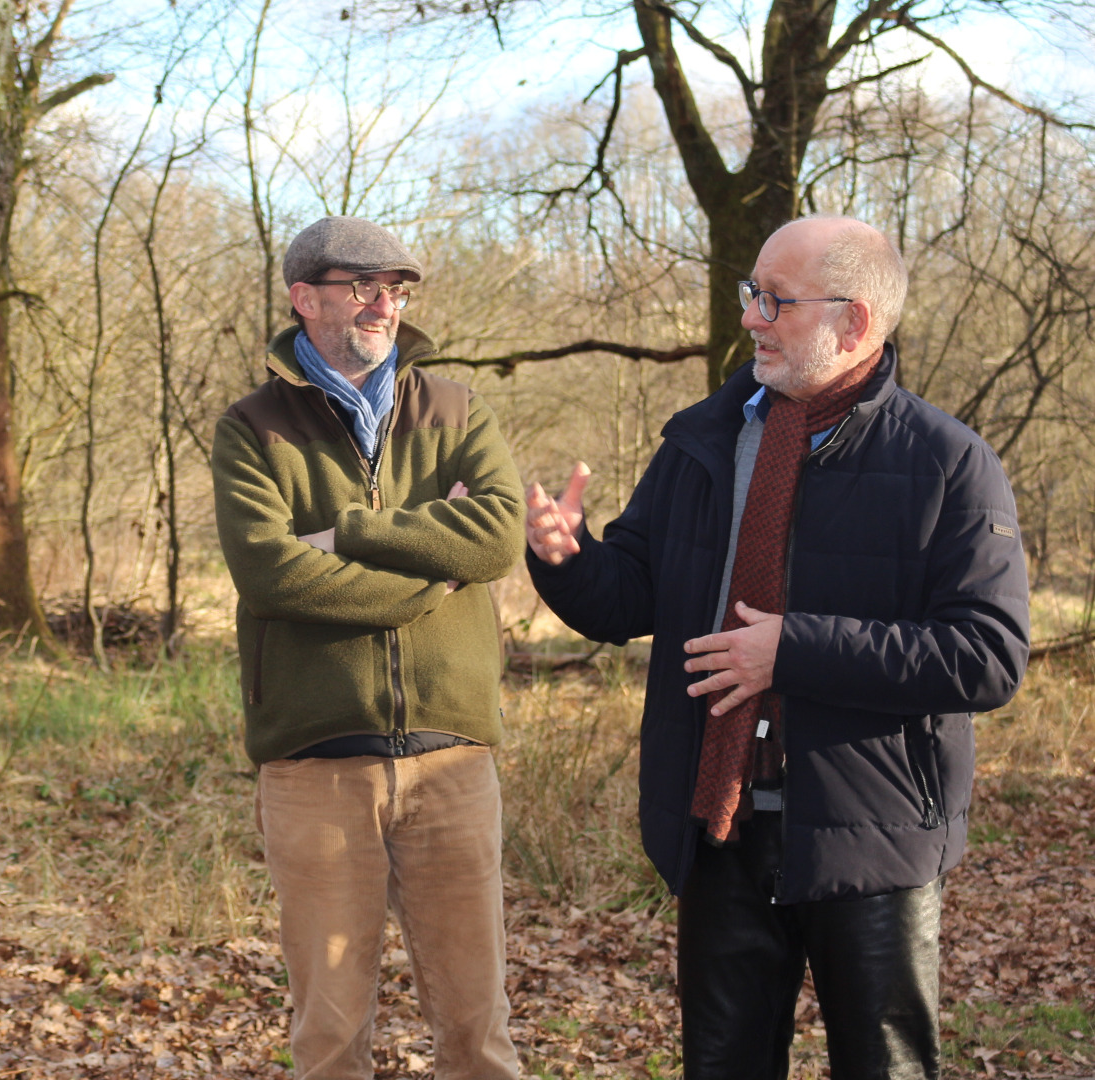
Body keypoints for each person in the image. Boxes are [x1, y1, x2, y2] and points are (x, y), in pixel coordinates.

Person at [524, 215, 1030, 1079]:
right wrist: (566, 561)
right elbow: (630, 598)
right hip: (720, 829)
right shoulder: (703, 440)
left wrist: (790, 651)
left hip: (872, 841)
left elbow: (985, 654)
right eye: (751, 294)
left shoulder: (950, 462)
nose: (752, 316)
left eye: (776, 300)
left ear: (855, 322)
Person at [211, 216, 524, 1080]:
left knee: (477, 1030)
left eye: (398, 288)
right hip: (316, 765)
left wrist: (346, 532)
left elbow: (496, 542)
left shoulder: (458, 409)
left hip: (454, 761)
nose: (385, 304)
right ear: (303, 297)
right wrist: (433, 572)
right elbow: (274, 578)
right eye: (362, 285)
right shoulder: (253, 428)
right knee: (330, 1035)